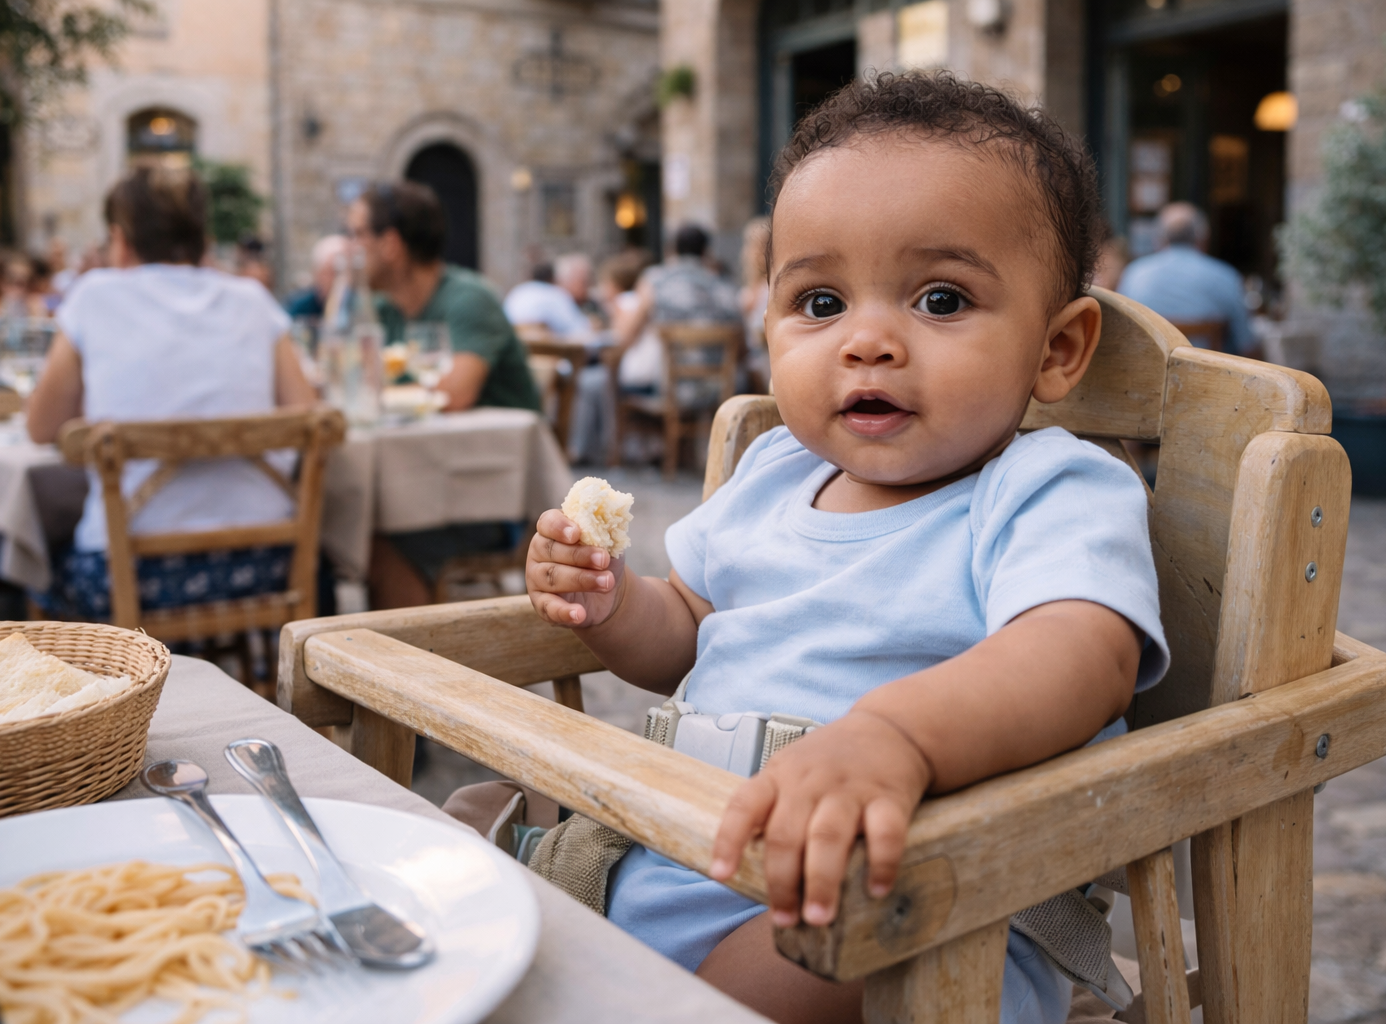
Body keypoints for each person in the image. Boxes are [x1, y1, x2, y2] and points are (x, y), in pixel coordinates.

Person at [523, 71, 1168, 1024]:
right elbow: (689, 633)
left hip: (910, 902)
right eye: (820, 304)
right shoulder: (774, 472)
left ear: (1057, 350)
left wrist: (898, 737)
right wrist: (613, 603)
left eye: (941, 299)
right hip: (678, 852)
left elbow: (1082, 653)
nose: (867, 341)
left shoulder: (1043, 490)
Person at [25, 166, 315, 619]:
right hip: (267, 561)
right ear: (203, 237)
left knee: (35, 561)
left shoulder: (93, 296)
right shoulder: (253, 301)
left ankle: (104, 682)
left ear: (119, 239)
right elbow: (308, 419)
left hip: (129, 575)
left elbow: (41, 426)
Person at [346, 180, 542, 608]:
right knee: (335, 527)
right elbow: (350, 387)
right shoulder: (381, 309)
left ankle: (413, 667)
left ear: (391, 243)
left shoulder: (469, 299)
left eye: (357, 234)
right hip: (408, 485)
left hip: (489, 496)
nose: (350, 249)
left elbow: (454, 394)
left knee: (370, 541)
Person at [612, 223, 741, 399]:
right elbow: (742, 349)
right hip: (722, 394)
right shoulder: (724, 287)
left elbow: (626, 335)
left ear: (672, 250)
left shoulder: (655, 281)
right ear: (706, 252)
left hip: (672, 393)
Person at [1117, 202, 1255, 356]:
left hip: (1146, 374)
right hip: (1207, 376)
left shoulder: (1134, 273)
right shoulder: (1225, 276)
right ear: (1203, 238)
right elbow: (1247, 344)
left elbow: (1120, 334)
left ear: (1159, 239)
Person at [568, 251, 647, 464]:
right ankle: (589, 447)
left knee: (587, 382)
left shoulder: (625, 303)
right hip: (642, 373)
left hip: (634, 375)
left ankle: (582, 449)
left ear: (614, 284)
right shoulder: (632, 301)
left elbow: (617, 343)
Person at [502, 253, 595, 340]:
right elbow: (581, 334)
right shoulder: (556, 295)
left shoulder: (517, 291)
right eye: (584, 282)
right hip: (551, 356)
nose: (588, 289)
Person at [739, 216, 772, 391]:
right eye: (751, 245)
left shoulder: (771, 290)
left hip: (764, 365)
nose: (752, 251)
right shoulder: (747, 291)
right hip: (746, 364)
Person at [284, 234, 350, 319]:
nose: (339, 279)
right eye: (333, 272)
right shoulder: (299, 307)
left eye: (344, 272)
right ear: (317, 274)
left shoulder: (352, 304)